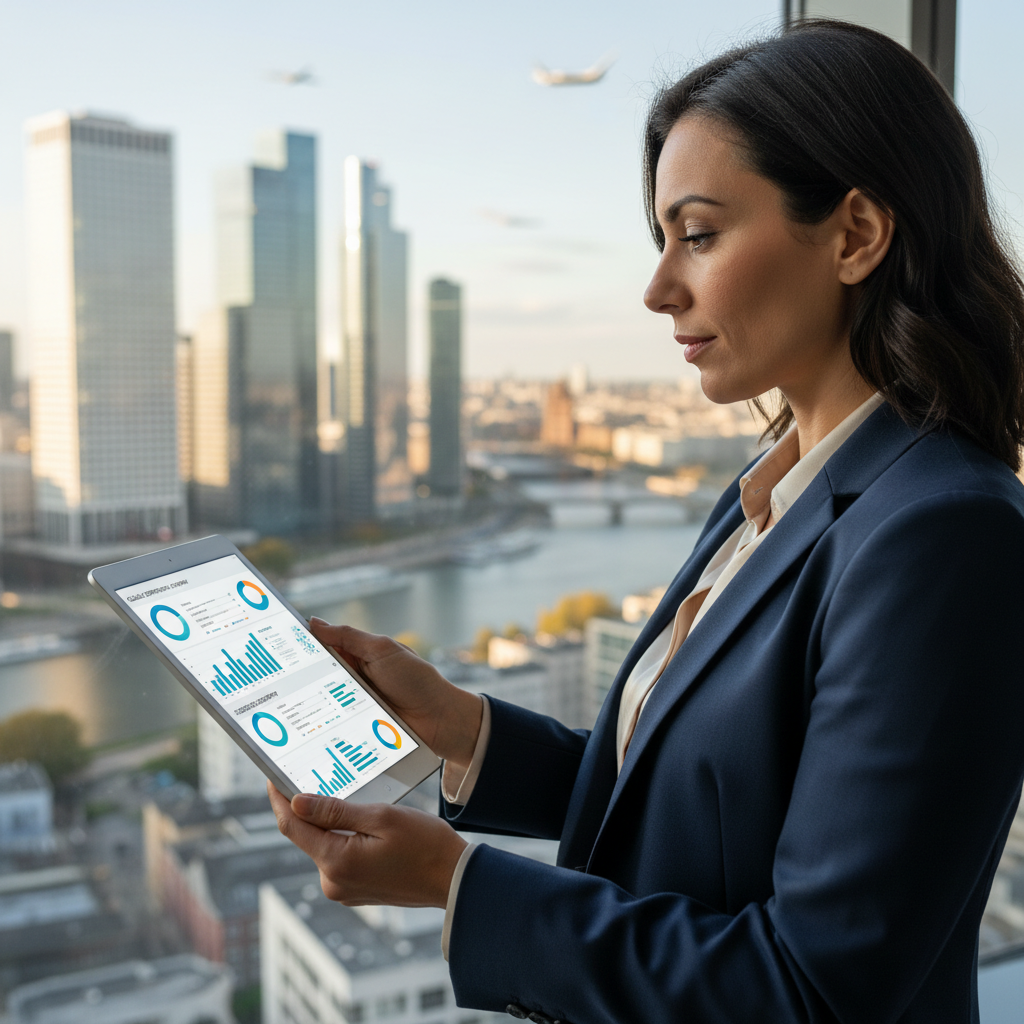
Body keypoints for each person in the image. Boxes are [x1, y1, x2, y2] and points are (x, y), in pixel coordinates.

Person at [269, 20, 1024, 1023]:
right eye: (661, 239)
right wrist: (462, 728)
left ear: (854, 235)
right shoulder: (779, 486)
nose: (658, 287)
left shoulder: (943, 534)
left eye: (698, 234)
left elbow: (813, 988)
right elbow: (696, 793)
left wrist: (458, 888)